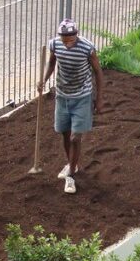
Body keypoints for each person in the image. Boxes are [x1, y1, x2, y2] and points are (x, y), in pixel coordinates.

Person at [37, 19, 104, 194]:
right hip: (62, 96)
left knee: (75, 137)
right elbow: (52, 63)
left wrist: (99, 99)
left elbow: (98, 72)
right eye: (64, 40)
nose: (67, 44)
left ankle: (71, 177)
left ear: (77, 35)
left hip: (82, 97)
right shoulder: (55, 45)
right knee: (65, 133)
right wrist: (44, 79)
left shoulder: (87, 48)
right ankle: (72, 165)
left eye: (71, 40)